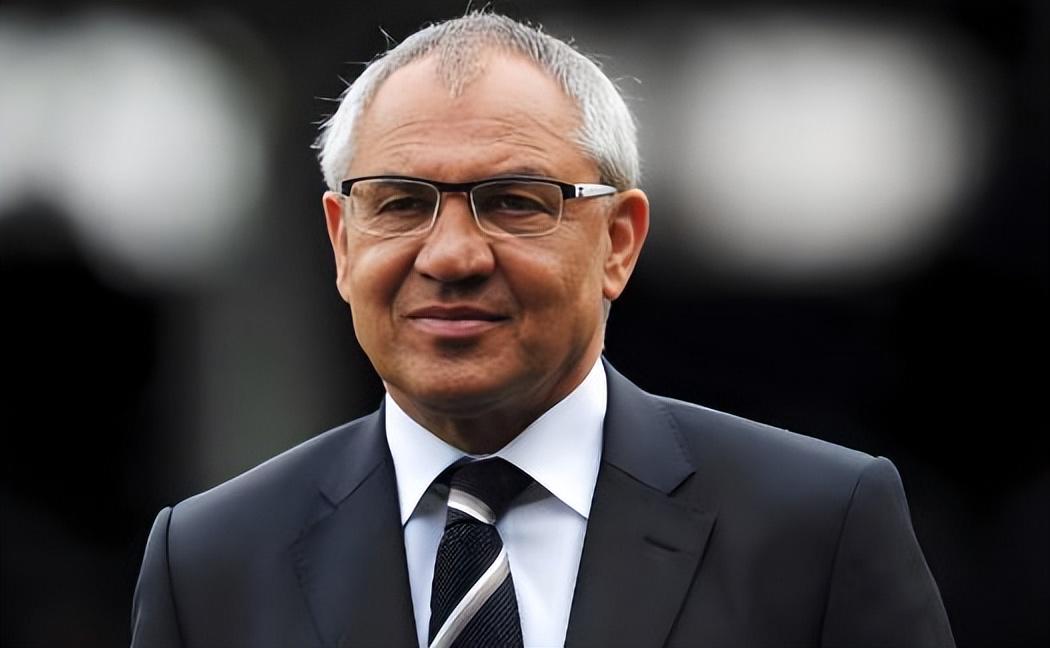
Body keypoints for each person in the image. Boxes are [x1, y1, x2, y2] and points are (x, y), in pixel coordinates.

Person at [131, 12, 955, 648]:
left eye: (514, 203)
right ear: (343, 243)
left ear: (618, 242)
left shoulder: (816, 526)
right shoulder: (208, 559)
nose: (451, 255)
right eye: (401, 204)